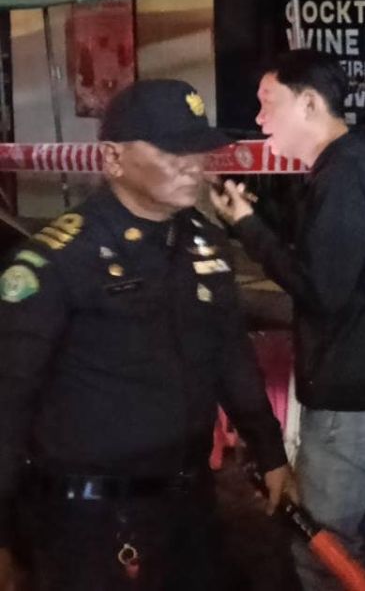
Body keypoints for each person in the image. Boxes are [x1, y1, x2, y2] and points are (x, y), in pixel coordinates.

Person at [0, 79, 294, 591]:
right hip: (88, 520)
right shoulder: (57, 262)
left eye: (197, 149)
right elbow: (9, 401)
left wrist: (270, 452)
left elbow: (230, 356)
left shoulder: (204, 244)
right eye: (171, 150)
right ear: (113, 158)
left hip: (189, 503)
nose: (192, 165)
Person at [210, 50, 365, 591]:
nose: (259, 119)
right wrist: (261, 216)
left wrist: (248, 227)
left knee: (320, 544)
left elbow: (321, 289)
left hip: (354, 392)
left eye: (268, 103)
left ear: (309, 103)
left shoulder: (345, 176)